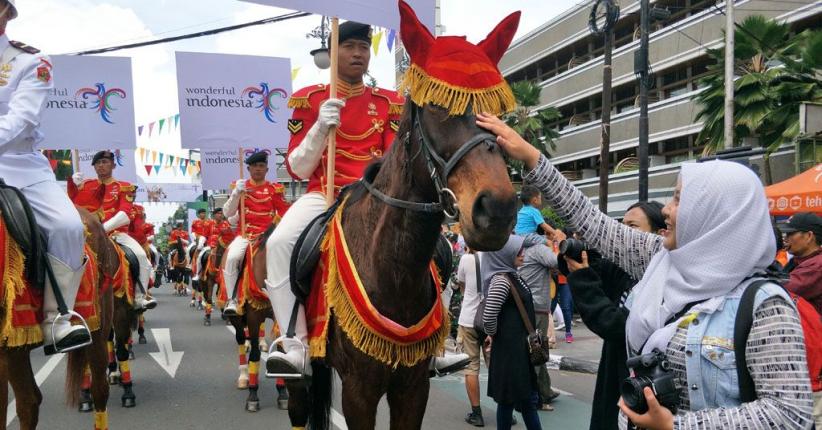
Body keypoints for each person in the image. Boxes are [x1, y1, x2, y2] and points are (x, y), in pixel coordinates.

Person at [476, 113, 814, 429]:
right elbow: (595, 225)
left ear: (714, 214)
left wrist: (677, 426)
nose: (666, 209)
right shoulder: (662, 258)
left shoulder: (765, 305)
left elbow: (789, 413)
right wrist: (533, 159)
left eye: (680, 199)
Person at [0, 0, 91, 353]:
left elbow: (21, 119)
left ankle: (57, 318)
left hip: (19, 164)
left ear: (7, 12)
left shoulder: (30, 62)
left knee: (67, 226)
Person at [561, 201, 666, 430]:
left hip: (642, 388)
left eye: (632, 226)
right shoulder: (623, 270)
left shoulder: (664, 283)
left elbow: (617, 326)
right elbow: (596, 269)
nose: (622, 233)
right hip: (613, 380)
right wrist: (574, 257)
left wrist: (583, 280)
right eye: (621, 225)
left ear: (659, 235)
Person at [69, 151, 156, 312]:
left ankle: (140, 297)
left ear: (113, 165)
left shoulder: (124, 187)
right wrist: (73, 188)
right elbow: (74, 208)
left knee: (141, 256)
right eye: (98, 163)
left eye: (105, 162)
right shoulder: (86, 186)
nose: (101, 165)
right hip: (86, 235)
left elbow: (124, 215)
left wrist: (101, 230)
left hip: (116, 234)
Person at [482, 235, 543, 430]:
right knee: (515, 400)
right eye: (518, 251)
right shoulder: (501, 280)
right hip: (511, 353)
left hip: (516, 352)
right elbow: (488, 316)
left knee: (519, 400)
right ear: (504, 254)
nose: (522, 254)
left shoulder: (511, 275)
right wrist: (495, 334)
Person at [222, 151, 290, 316]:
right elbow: (228, 213)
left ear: (267, 169)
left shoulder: (274, 189)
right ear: (249, 168)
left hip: (268, 236)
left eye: (261, 166)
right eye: (254, 166)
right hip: (245, 235)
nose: (258, 169)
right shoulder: (240, 187)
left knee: (287, 257)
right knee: (232, 257)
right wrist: (236, 193)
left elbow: (284, 212)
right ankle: (232, 299)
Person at [517, 234, 559, 411]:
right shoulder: (539, 248)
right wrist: (555, 246)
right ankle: (534, 398)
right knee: (537, 351)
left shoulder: (521, 248)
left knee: (536, 350)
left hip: (524, 305)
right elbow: (557, 262)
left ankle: (545, 391)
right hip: (538, 307)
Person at [455, 248, 485, 426]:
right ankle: (504, 411)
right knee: (496, 365)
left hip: (468, 319)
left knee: (471, 368)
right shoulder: (493, 257)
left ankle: (477, 413)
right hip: (490, 320)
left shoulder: (466, 259)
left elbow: (462, 285)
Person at [781, 212, 822, 314]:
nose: (786, 238)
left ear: (809, 236)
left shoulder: (817, 266)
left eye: (790, 234)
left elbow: (780, 290)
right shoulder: (798, 260)